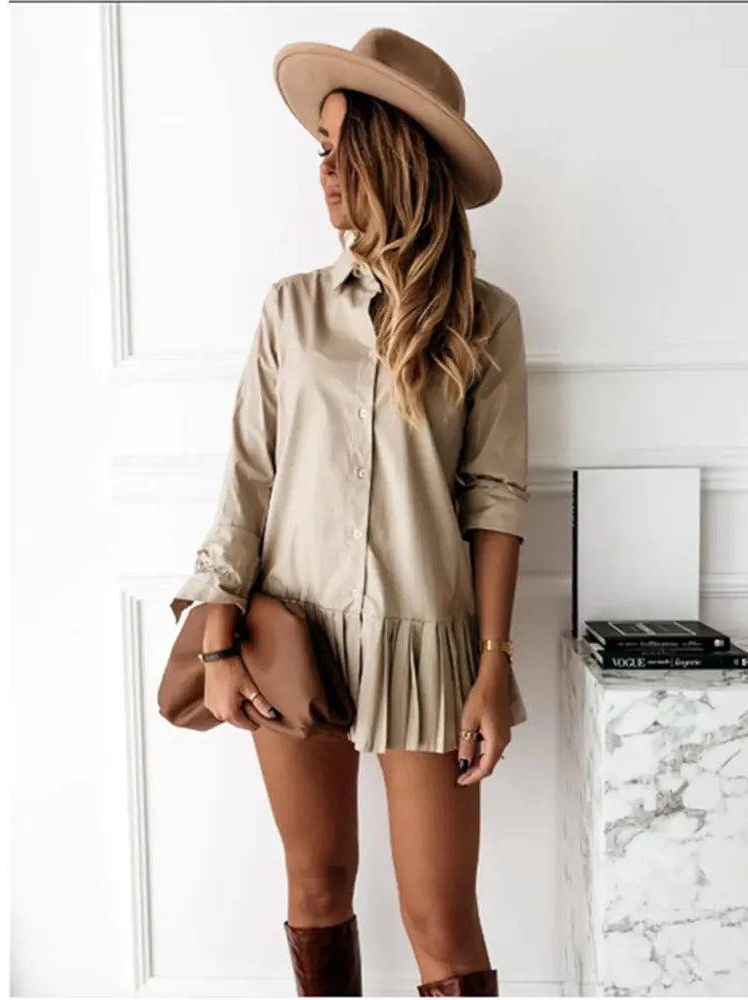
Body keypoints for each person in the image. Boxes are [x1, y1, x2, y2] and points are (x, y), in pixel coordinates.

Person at [169, 27, 531, 998]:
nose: (324, 171)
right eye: (320, 149)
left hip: (425, 644)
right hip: (294, 636)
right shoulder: (291, 310)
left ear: (397, 154)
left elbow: (496, 498)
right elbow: (247, 481)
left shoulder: (486, 317)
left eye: (342, 148)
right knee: (317, 882)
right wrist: (215, 641)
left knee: (441, 921)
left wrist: (492, 665)